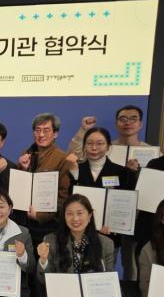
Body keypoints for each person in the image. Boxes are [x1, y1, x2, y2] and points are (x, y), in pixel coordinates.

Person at [67, 127, 136, 280]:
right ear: (84, 146)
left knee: (101, 277)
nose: (94, 148)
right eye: (89, 143)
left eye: (99, 143)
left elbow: (126, 205)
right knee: (75, 274)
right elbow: (70, 199)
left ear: (108, 147)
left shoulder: (122, 172)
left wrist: (115, 226)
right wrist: (75, 174)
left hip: (108, 234)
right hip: (79, 232)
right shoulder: (76, 169)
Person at [17, 113, 72, 246]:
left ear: (55, 134)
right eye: (37, 130)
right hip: (23, 222)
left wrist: (40, 215)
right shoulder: (26, 154)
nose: (41, 135)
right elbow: (18, 188)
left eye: (46, 130)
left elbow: (63, 196)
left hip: (48, 226)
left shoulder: (62, 158)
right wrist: (22, 168)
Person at [67, 105, 150, 170]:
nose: (127, 123)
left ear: (140, 124)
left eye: (133, 119)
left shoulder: (150, 151)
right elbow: (75, 156)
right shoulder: (105, 148)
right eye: (123, 119)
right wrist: (83, 130)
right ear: (116, 124)